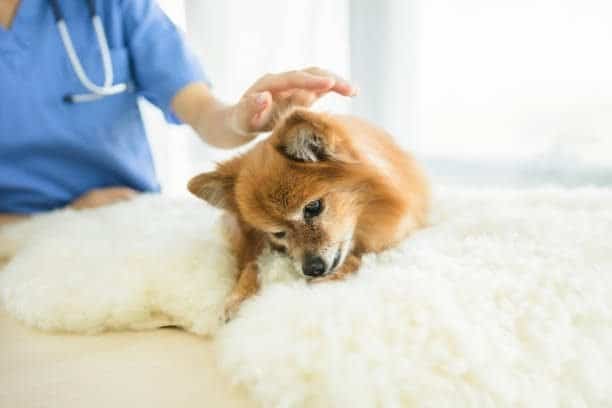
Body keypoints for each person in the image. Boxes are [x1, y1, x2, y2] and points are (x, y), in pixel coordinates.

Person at [0, 0, 357, 226]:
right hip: (12, 241)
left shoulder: (113, 7)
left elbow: (203, 113)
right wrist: (62, 221)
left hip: (128, 222)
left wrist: (244, 117)